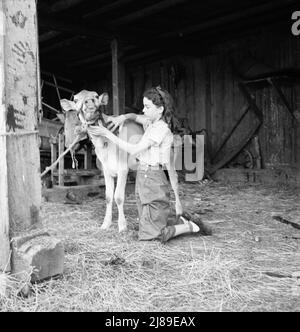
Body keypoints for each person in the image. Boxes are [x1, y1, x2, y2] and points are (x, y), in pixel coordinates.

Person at [88, 86, 211, 243]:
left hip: (153, 179)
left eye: (147, 107)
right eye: (143, 105)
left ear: (159, 110)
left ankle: (190, 226)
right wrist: (122, 117)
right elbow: (134, 116)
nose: (143, 110)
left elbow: (133, 149)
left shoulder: (159, 129)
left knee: (150, 235)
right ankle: (178, 220)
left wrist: (107, 134)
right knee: (146, 223)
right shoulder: (150, 122)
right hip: (143, 178)